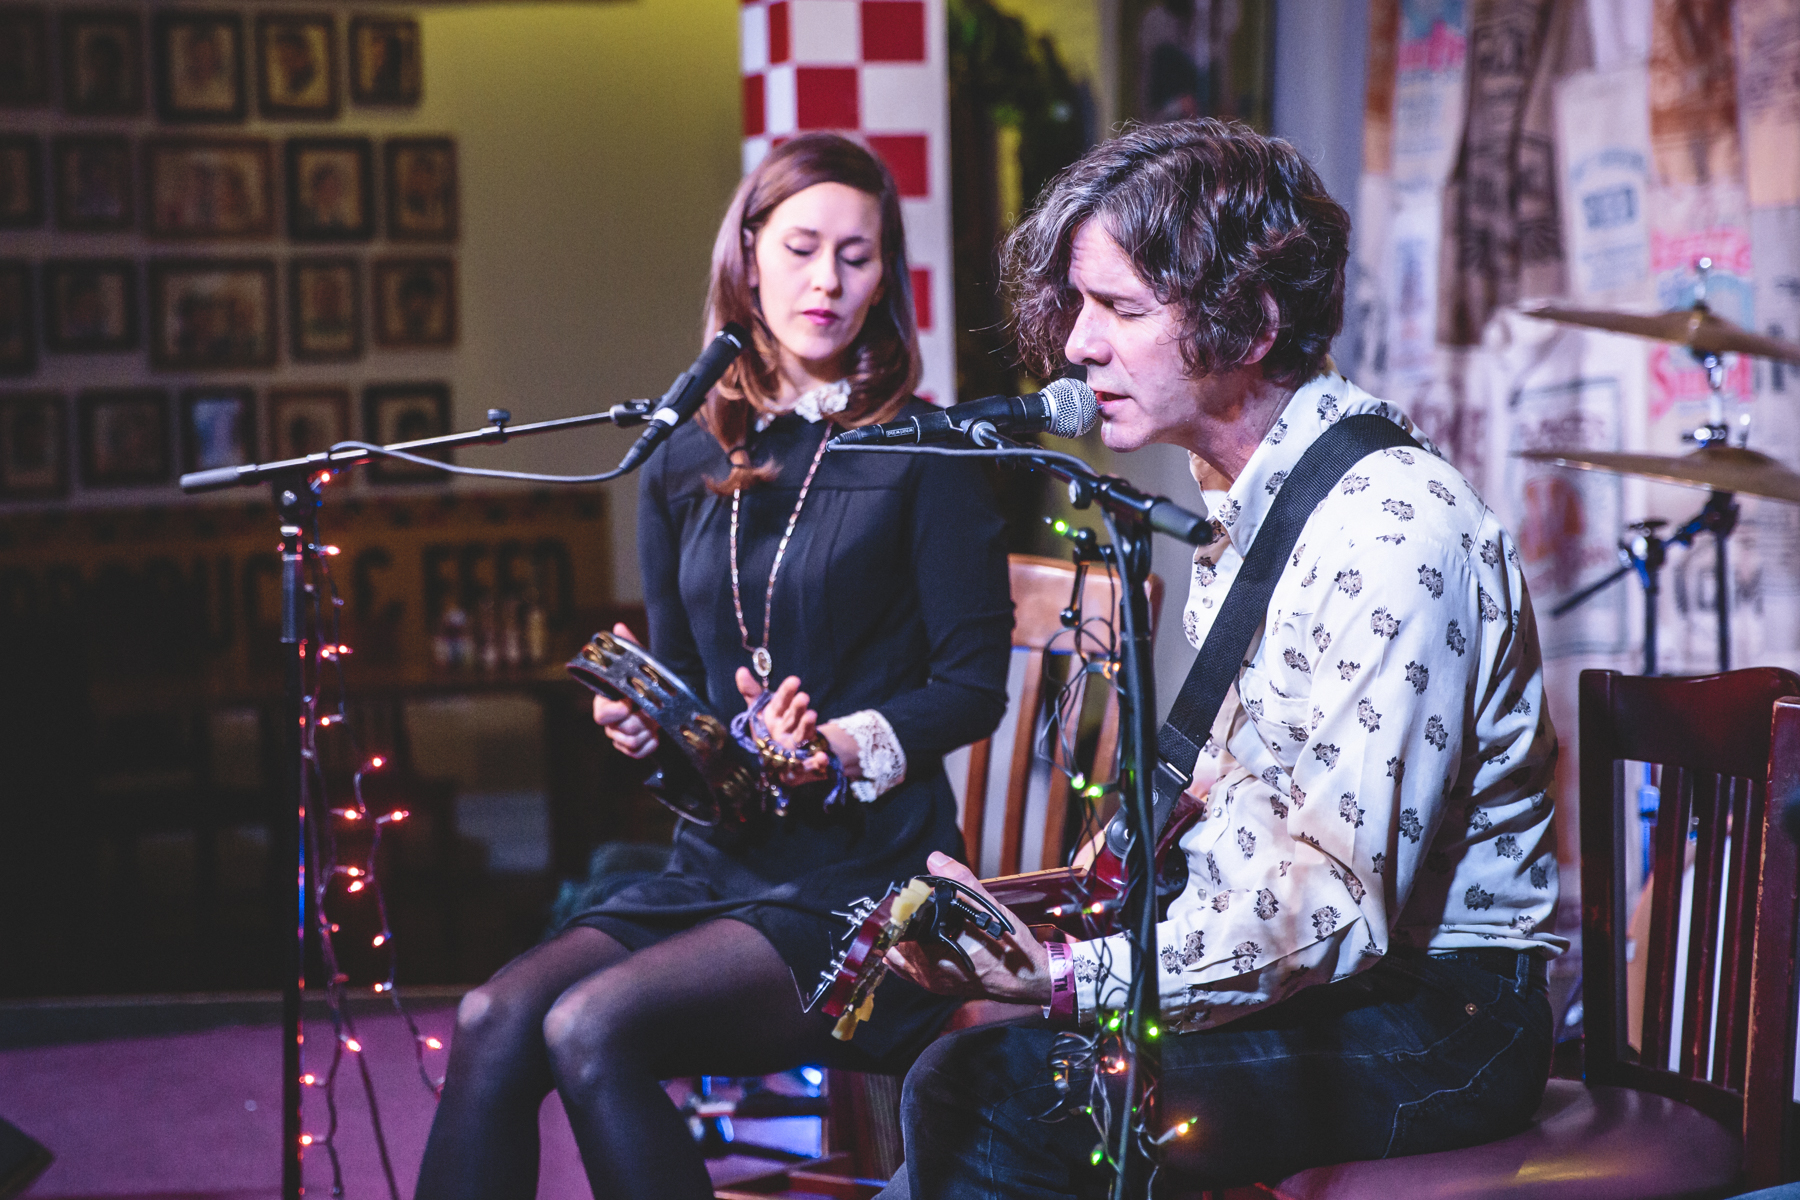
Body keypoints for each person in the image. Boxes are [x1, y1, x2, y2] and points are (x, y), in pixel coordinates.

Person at [879, 118, 1563, 1196]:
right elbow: (1252, 795)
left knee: (994, 1090)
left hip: (1440, 1020)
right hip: (1334, 983)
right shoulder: (1249, 499)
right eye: (1082, 305)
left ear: (1252, 322)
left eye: (1122, 309)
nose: (1078, 345)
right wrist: (1066, 909)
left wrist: (1068, 975)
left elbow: (1336, 906)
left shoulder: (1388, 534)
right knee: (971, 1077)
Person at [413, 132, 1014, 1200]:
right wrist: (652, 730)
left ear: (887, 276)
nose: (828, 281)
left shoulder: (932, 449)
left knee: (591, 1026)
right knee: (493, 1016)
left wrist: (835, 747)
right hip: (719, 866)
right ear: (747, 255)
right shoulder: (683, 454)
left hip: (873, 885)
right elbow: (690, 691)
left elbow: (973, 687)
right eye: (801, 248)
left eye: (858, 256)